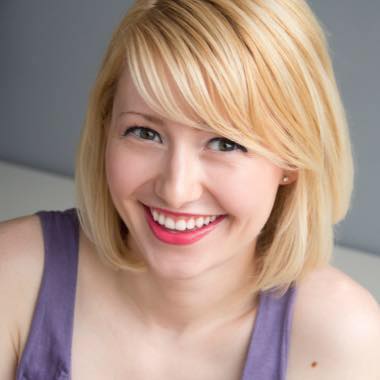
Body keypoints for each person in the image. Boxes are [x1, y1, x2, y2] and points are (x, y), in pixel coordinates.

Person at [1, 0, 379, 378]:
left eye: (225, 143)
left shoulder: (341, 337)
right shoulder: (13, 275)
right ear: (106, 131)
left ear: (293, 159)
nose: (176, 190)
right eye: (145, 133)